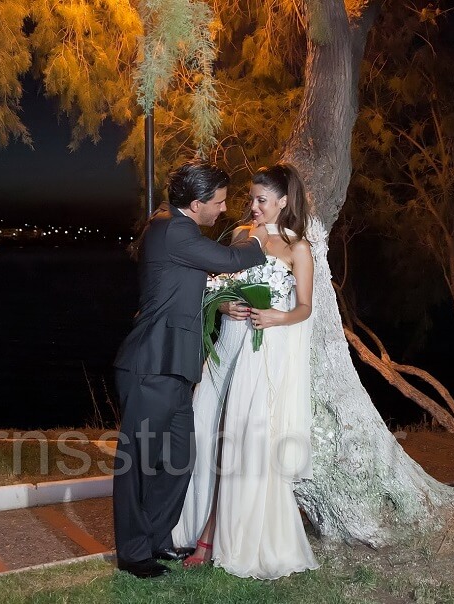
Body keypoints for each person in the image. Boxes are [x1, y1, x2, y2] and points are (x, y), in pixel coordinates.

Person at [111, 159, 268, 579]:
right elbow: (231, 259)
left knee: (179, 459)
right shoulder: (173, 229)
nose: (224, 209)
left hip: (176, 368)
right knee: (139, 464)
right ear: (196, 204)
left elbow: (186, 288)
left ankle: (155, 538)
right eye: (219, 202)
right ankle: (133, 554)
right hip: (151, 365)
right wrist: (260, 235)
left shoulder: (173, 228)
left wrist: (222, 306)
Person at [171, 162, 318, 579]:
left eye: (262, 200)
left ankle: (215, 536)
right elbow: (218, 288)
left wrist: (277, 317)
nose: (253, 206)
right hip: (228, 345)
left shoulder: (298, 248)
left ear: (283, 202)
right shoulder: (240, 235)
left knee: (236, 444)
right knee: (204, 430)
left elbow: (305, 308)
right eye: (252, 198)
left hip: (261, 352)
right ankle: (190, 523)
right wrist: (224, 306)